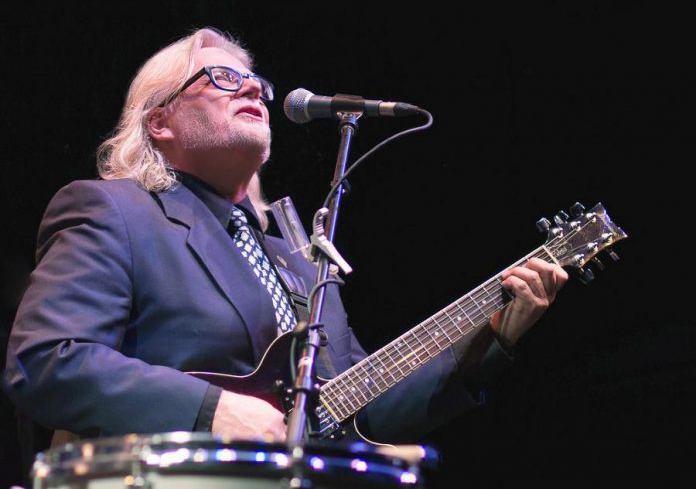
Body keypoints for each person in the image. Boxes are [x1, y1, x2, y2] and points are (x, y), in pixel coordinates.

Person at [2, 27, 568, 451]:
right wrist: (212, 410)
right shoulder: (114, 210)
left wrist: (489, 343)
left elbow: (359, 413)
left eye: (255, 81)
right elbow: (47, 361)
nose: (250, 87)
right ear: (159, 121)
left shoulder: (297, 262)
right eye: (221, 77)